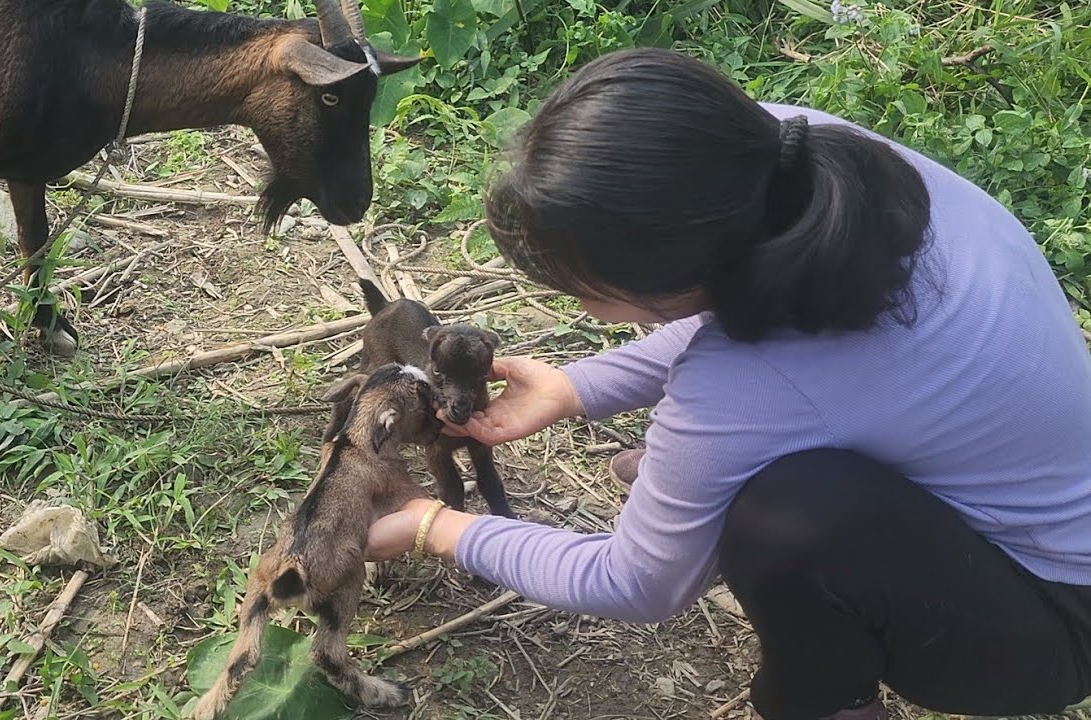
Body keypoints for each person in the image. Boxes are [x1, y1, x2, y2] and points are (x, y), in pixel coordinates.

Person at [363, 47, 1091, 720]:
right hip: (1032, 501)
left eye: (580, 288)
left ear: (668, 278)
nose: (574, 304)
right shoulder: (797, 156)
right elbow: (759, 309)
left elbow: (636, 584)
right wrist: (576, 387)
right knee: (757, 466)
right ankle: (697, 477)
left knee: (785, 519)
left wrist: (439, 526)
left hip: (1054, 618)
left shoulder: (747, 380)